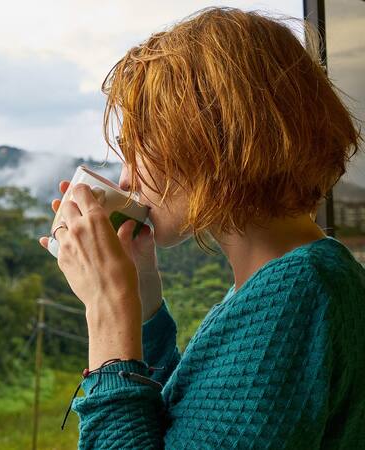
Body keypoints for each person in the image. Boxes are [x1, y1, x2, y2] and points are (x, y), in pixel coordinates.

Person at [38, 6, 364, 449]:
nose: (128, 180)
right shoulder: (288, 280)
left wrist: (108, 315)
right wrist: (142, 300)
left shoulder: (298, 293)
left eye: (138, 151)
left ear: (209, 141)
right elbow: (191, 424)